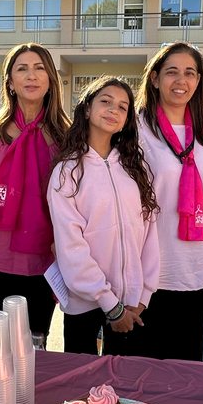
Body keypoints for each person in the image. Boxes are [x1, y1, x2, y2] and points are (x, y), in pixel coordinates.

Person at [0, 42, 70, 340]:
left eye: (39, 68)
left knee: (35, 346)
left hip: (46, 262)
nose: (31, 76)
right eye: (22, 69)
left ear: (50, 80)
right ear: (10, 81)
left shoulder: (66, 136)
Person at [47, 77, 160, 355]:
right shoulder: (67, 172)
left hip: (131, 304)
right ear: (87, 108)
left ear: (126, 120)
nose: (113, 110)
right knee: (83, 380)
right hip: (85, 305)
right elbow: (71, 246)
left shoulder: (136, 169)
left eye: (122, 107)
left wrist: (143, 295)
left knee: (124, 380)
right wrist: (109, 303)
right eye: (106, 101)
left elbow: (149, 234)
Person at [134, 41, 203, 360]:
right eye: (172, 72)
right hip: (153, 266)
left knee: (188, 361)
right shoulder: (136, 127)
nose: (181, 80)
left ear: (198, 80)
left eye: (190, 73)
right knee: (147, 363)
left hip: (201, 264)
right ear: (155, 78)